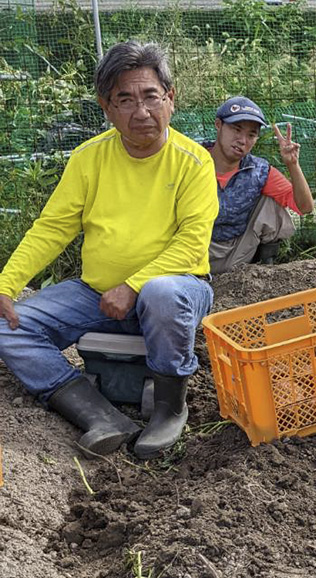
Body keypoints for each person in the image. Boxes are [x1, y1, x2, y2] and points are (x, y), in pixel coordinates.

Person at [0, 41, 217, 460]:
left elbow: (191, 243)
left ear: (170, 98)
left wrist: (134, 285)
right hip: (95, 293)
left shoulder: (194, 162)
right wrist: (6, 283)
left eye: (151, 96)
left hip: (179, 290)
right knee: (10, 325)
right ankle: (101, 416)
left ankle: (171, 408)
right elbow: (52, 228)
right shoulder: (89, 159)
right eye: (125, 100)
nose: (141, 112)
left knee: (161, 293)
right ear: (107, 107)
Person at [205, 96, 314, 274]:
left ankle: (265, 270)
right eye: (236, 129)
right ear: (219, 125)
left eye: (251, 135)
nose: (242, 140)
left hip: (237, 254)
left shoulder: (259, 170)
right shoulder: (192, 160)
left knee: (269, 203)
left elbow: (305, 207)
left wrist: (292, 164)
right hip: (193, 250)